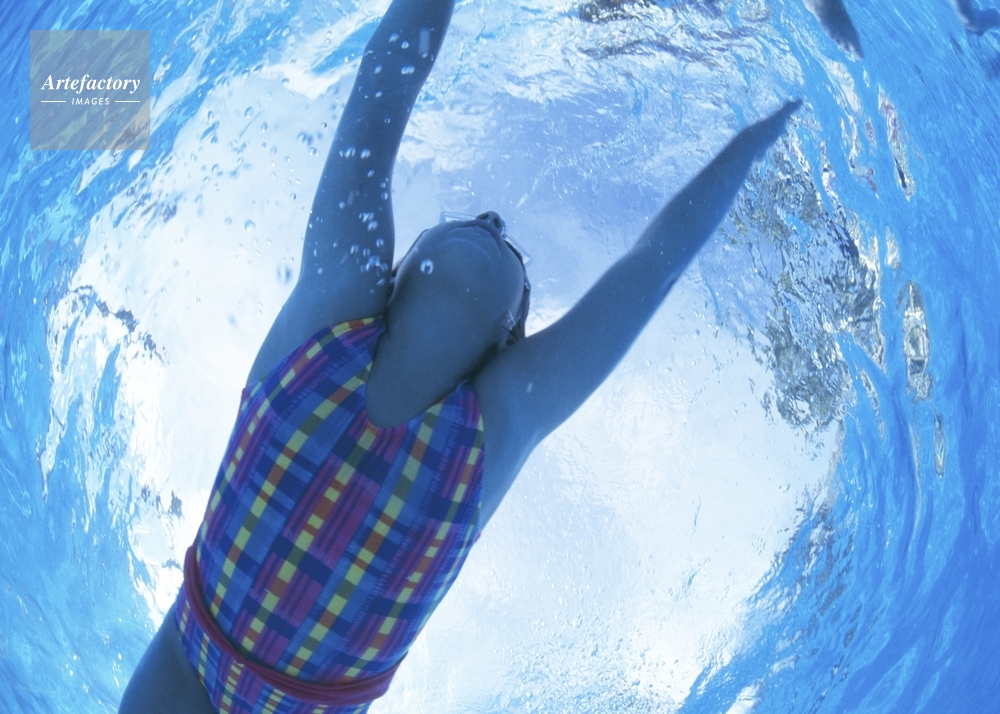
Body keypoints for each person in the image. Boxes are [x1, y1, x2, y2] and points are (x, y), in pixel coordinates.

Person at [117, 0, 799, 710]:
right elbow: (384, 83)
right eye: (476, 223)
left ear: (511, 337)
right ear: (402, 268)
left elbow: (649, 268)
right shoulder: (340, 303)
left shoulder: (501, 415)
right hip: (191, 656)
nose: (493, 219)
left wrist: (759, 137)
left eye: (505, 242)